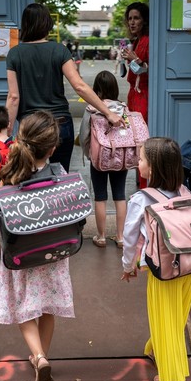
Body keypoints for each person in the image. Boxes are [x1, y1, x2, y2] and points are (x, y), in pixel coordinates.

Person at [0, 111, 73, 381]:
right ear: (53, 147)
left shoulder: (10, 175)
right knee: (47, 308)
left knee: (24, 307)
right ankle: (39, 357)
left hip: (19, 255)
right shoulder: (59, 174)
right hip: (53, 254)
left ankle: (40, 357)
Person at [6, 3, 122, 173]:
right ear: (47, 24)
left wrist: (7, 129)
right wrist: (109, 112)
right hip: (60, 125)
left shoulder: (15, 53)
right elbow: (80, 86)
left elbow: (13, 97)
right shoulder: (59, 50)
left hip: (31, 127)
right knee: (60, 181)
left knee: (30, 180)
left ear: (25, 24)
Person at [119, 137, 191, 381]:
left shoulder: (142, 199)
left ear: (152, 168)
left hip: (163, 270)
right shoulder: (186, 192)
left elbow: (129, 238)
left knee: (163, 317)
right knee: (176, 316)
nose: (137, 163)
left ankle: (175, 378)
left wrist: (128, 266)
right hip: (189, 266)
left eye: (141, 159)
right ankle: (156, 349)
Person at [79, 71, 129, 249]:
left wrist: (90, 154)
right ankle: (121, 237)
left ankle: (100, 237)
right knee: (120, 195)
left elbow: (84, 135)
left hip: (99, 158)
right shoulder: (123, 108)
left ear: (96, 91)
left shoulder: (91, 109)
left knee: (100, 196)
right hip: (120, 158)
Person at [121, 2, 150, 188]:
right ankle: (141, 181)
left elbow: (147, 71)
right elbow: (137, 70)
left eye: (136, 18)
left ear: (145, 20)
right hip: (135, 95)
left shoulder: (146, 40)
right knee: (137, 140)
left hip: (142, 96)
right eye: (130, 18)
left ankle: (144, 182)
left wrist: (134, 59)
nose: (132, 22)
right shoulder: (138, 40)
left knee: (141, 141)